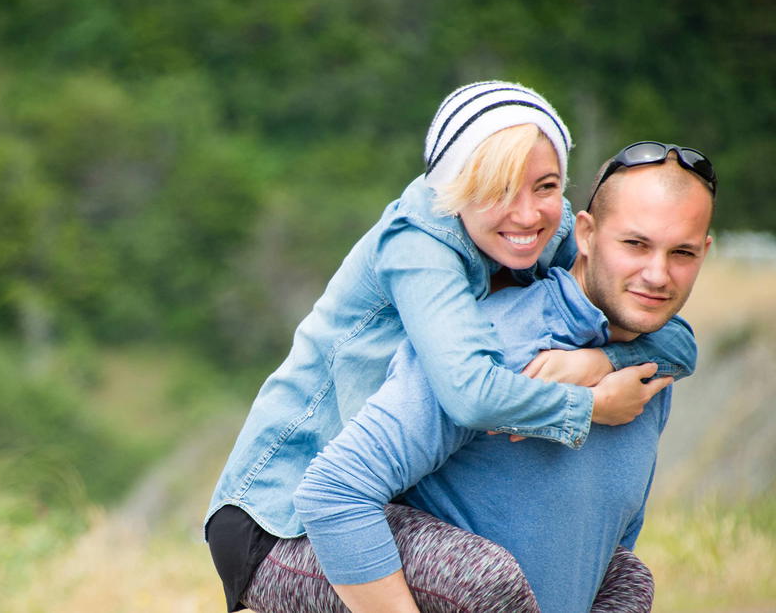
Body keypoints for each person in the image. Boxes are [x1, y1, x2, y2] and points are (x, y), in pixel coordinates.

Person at [205, 82, 697, 612]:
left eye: (546, 186)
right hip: (284, 515)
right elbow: (470, 395)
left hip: (391, 500)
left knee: (624, 582)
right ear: (455, 186)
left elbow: (663, 330)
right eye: (498, 189)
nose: (527, 213)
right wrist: (588, 405)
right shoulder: (419, 247)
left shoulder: (542, 233)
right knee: (481, 580)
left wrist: (600, 360)